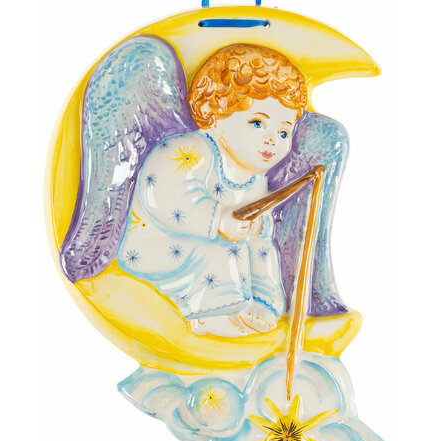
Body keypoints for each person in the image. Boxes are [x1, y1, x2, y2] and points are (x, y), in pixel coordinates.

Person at [116, 43, 308, 337]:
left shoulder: (255, 179)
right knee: (222, 247)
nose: (273, 139)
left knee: (261, 247)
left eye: (283, 131)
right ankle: (212, 314)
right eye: (258, 123)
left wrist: (258, 227)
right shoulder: (189, 150)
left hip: (210, 250)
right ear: (214, 113)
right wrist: (218, 219)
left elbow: (259, 222)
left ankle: (263, 304)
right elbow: (165, 198)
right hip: (159, 243)